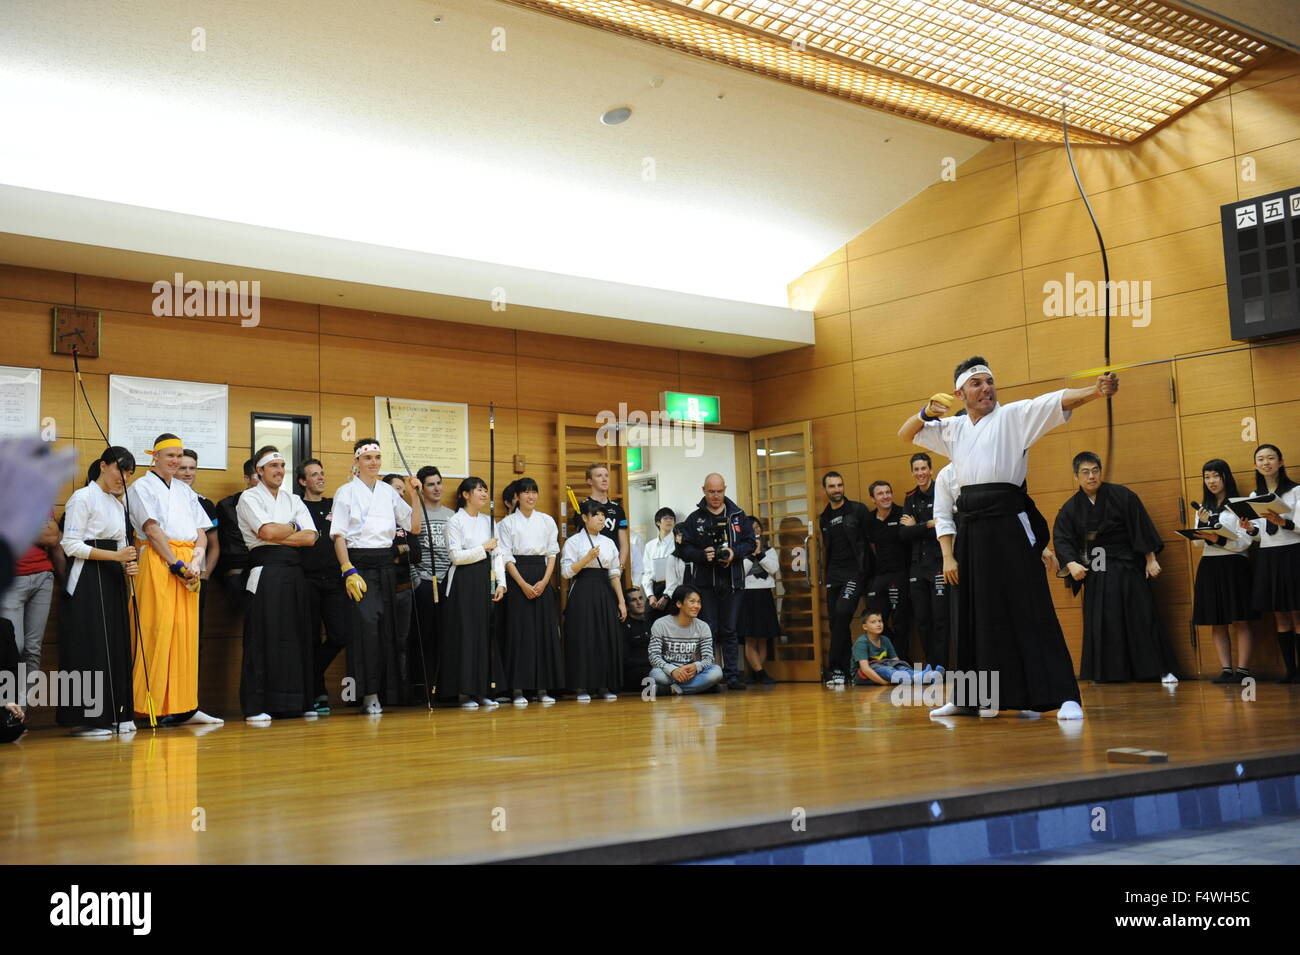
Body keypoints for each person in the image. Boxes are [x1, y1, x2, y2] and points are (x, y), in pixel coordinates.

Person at [899, 356, 1118, 719]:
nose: (986, 388)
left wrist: (1095, 390)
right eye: (976, 383)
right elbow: (905, 434)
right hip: (971, 526)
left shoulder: (1014, 416)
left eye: (989, 382)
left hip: (1008, 522)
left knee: (1030, 606)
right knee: (973, 610)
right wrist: (925, 411)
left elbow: (1060, 399)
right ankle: (970, 697)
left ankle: (1064, 696)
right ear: (960, 392)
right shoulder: (952, 428)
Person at [1052, 452, 1177, 684]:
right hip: (1097, 568)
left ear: (1100, 471)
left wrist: (1151, 559)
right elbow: (1062, 539)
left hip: (1127, 563)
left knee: (1141, 617)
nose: (1091, 476)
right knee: (1104, 621)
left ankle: (1158, 669)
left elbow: (1140, 527)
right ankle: (1106, 672)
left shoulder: (1123, 496)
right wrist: (1071, 563)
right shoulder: (1070, 508)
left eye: (1095, 470)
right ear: (1076, 476)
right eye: (1085, 472)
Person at [126, 432, 223, 726]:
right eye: (170, 455)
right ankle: (144, 706)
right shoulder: (140, 487)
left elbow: (202, 533)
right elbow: (152, 529)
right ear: (154, 457)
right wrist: (175, 563)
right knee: (157, 629)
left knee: (185, 634)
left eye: (179, 456)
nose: (175, 461)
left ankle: (184, 707)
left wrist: (195, 560)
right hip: (159, 561)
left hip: (187, 566)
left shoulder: (184, 490)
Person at [328, 438, 422, 714]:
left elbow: (413, 527)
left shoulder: (388, 492)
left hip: (386, 566)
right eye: (368, 458)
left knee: (387, 630)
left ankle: (387, 691)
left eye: (378, 457)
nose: (374, 463)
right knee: (366, 627)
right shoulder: (345, 492)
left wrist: (414, 495)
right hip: (359, 565)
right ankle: (368, 693)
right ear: (357, 461)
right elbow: (339, 536)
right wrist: (348, 569)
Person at [57, 447, 139, 736]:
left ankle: (117, 712)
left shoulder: (118, 504)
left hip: (113, 577)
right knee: (89, 643)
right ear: (103, 466)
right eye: (120, 470)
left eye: (129, 473)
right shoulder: (82, 497)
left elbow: (121, 544)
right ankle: (86, 720)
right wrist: (116, 558)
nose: (124, 477)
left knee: (116, 644)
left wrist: (129, 564)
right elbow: (71, 545)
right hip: (86, 577)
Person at [236, 448, 318, 722]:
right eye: (273, 465)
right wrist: (293, 527)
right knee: (262, 637)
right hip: (265, 570)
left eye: (282, 465)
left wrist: (282, 531)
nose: (279, 470)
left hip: (294, 572)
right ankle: (257, 705)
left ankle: (297, 701)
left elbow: (311, 539)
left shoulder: (293, 498)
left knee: (297, 636)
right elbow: (266, 532)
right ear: (259, 471)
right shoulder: (249, 497)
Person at [678, 473, 755, 691]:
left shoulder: (738, 515)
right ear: (703, 490)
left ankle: (732, 675)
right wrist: (703, 555)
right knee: (708, 630)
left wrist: (734, 552)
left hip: (732, 581)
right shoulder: (694, 519)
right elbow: (683, 550)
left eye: (719, 491)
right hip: (705, 584)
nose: (715, 496)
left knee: (730, 630)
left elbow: (750, 543)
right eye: (711, 491)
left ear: (725, 489)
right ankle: (710, 676)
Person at [440, 476, 506, 708]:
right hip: (463, 582)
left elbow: (498, 554)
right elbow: (456, 556)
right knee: (466, 636)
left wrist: (501, 582)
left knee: (484, 635)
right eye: (478, 490)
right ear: (466, 495)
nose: (483, 493)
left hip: (485, 579)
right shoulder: (454, 521)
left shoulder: (490, 521)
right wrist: (482, 548)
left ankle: (482, 690)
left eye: (485, 490)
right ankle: (463, 693)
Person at [497, 477, 563, 705]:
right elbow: (505, 557)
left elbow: (552, 553)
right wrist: (523, 584)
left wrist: (545, 581)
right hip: (517, 577)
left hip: (541, 575)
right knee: (519, 633)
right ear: (517, 497)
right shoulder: (507, 523)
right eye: (525, 492)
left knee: (543, 632)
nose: (531, 496)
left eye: (534, 492)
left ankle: (543, 689)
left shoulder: (546, 521)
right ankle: (517, 689)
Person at [1190, 459, 1255, 684]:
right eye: (1207, 477)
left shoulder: (1239, 504)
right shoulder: (1203, 508)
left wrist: (1218, 539)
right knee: (1217, 620)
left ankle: (1243, 670)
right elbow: (1198, 544)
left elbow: (1245, 541)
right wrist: (1202, 526)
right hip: (1210, 565)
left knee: (1240, 619)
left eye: (1215, 476)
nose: (1211, 481)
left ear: (1225, 476)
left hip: (1235, 566)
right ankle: (1226, 669)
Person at [1243, 444, 1300, 681]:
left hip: (1292, 554)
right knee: (1280, 614)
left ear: (1281, 462)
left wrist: (1282, 521)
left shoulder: (1296, 491)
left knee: (1297, 613)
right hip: (1268, 556)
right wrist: (1249, 528)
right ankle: (1290, 670)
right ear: (1256, 465)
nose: (1266, 463)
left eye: (1270, 458)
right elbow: (1259, 534)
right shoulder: (1255, 496)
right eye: (1261, 459)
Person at [296, 458, 348, 713]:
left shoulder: (334, 505)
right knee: (311, 639)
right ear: (303, 481)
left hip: (334, 579)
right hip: (307, 579)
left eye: (322, 473)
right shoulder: (296, 505)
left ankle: (310, 675)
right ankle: (317, 692)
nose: (320, 478)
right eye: (314, 475)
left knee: (341, 634)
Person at [561, 499, 626, 701]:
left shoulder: (608, 542)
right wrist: (586, 559)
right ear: (584, 518)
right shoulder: (573, 542)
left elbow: (614, 573)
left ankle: (603, 685)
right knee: (583, 637)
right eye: (596, 515)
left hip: (604, 590)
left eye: (603, 515)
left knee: (604, 636)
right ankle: (581, 687)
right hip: (582, 590)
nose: (601, 519)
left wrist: (621, 602)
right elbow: (566, 573)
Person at [818, 471, 873, 686]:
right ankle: (848, 670)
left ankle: (834, 668)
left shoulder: (857, 510)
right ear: (825, 490)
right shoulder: (824, 517)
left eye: (840, 485)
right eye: (832, 486)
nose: (837, 489)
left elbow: (872, 538)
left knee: (842, 611)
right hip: (834, 574)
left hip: (854, 573)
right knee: (836, 622)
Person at [0, 515, 58, 708]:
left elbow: (52, 536)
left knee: (33, 649)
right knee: (14, 646)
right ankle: (6, 707)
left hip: (43, 576)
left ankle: (19, 713)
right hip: (11, 579)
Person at [900, 452, 949, 669]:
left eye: (923, 469)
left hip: (939, 563)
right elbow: (904, 534)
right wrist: (928, 525)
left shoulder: (942, 491)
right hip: (917, 566)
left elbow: (946, 525)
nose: (920, 473)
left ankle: (942, 666)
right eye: (916, 470)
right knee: (922, 619)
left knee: (940, 618)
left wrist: (917, 526)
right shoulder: (910, 498)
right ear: (912, 473)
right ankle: (931, 664)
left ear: (930, 470)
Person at [411, 465, 454, 702]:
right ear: (421, 488)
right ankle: (425, 690)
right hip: (425, 583)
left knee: (447, 637)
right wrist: (417, 580)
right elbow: (409, 551)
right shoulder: (414, 514)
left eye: (439, 483)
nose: (436, 488)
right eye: (430, 484)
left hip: (448, 583)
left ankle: (447, 688)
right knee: (425, 638)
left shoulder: (452, 516)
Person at [648, 584, 724, 696]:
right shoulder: (661, 624)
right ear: (679, 603)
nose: (697, 606)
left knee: (716, 672)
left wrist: (696, 666)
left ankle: (673, 690)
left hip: (691, 673)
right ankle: (701, 687)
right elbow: (653, 656)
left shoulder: (703, 627)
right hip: (668, 672)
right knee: (656, 675)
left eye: (699, 602)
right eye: (692, 601)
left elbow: (708, 658)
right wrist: (672, 670)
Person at [384, 472, 421, 700]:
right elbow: (381, 553)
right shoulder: (378, 519)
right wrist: (398, 551)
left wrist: (397, 552)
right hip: (382, 588)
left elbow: (415, 554)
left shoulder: (407, 519)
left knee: (402, 642)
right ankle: (382, 691)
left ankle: (401, 691)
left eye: (402, 489)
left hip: (405, 589)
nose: (399, 493)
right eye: (395, 488)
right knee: (382, 641)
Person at [864, 480, 911, 656]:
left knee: (900, 621)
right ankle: (889, 658)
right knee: (875, 621)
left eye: (888, 492)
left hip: (900, 575)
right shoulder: (869, 519)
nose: (886, 496)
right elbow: (871, 548)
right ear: (873, 499)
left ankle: (902, 663)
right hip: (880, 577)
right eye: (880, 494)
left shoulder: (902, 514)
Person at [740, 516, 780, 685]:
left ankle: (758, 673)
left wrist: (760, 554)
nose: (756, 530)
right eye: (752, 527)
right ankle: (760, 673)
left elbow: (774, 569)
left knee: (763, 637)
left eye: (758, 527)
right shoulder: (740, 550)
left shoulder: (769, 550)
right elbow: (741, 571)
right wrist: (751, 554)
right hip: (747, 595)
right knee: (750, 637)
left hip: (764, 594)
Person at [851, 610, 940, 686]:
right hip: (863, 674)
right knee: (884, 668)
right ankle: (916, 678)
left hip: (883, 668)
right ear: (865, 627)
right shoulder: (861, 642)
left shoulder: (885, 640)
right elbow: (865, 669)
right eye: (873, 622)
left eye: (880, 621)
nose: (878, 624)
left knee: (899, 666)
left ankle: (928, 676)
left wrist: (901, 667)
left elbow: (895, 661)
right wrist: (884, 683)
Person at [214, 457, 257, 610]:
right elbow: (226, 543)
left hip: (268, 568)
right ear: (247, 478)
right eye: (258, 475)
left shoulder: (279, 504)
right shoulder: (227, 506)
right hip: (238, 568)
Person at [582, 464, 629, 575]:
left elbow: (624, 543)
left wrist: (620, 567)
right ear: (590, 481)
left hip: (613, 567)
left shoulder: (618, 509)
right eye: (599, 476)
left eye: (606, 476)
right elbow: (581, 539)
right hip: (591, 568)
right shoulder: (583, 507)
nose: (604, 479)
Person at [641, 507, 677, 624]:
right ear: (658, 522)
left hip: (673, 589)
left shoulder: (678, 543)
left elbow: (679, 573)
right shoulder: (649, 545)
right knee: (649, 620)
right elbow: (647, 572)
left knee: (671, 624)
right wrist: (650, 595)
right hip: (655, 588)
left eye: (671, 518)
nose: (669, 521)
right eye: (665, 518)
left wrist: (667, 596)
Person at [621, 586, 653, 692]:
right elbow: (625, 660)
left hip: (653, 666)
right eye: (634, 600)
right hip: (635, 671)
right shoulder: (623, 626)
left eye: (640, 598)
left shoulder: (651, 622)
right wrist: (650, 662)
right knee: (656, 677)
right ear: (627, 606)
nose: (639, 602)